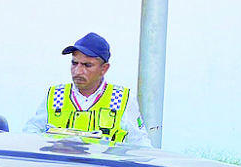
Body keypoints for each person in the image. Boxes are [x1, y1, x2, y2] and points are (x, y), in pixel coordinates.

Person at [23, 32, 151, 147]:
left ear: (104, 69)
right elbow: (30, 133)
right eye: (74, 63)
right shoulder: (56, 95)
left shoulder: (122, 99)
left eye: (87, 65)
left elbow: (140, 146)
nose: (78, 71)